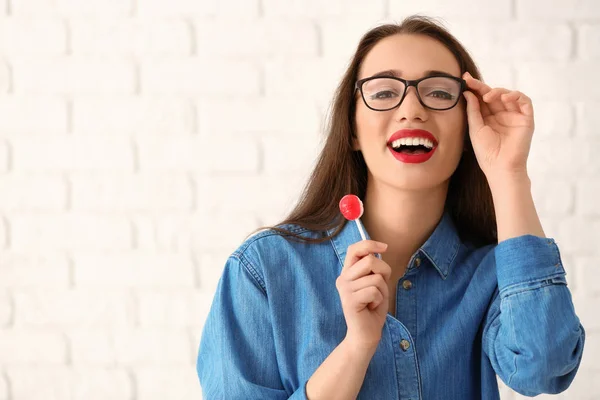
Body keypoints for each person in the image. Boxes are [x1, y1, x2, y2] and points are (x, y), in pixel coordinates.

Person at [196, 15, 585, 400]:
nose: (412, 109)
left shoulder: (493, 274)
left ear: (468, 127)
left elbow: (544, 369)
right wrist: (356, 348)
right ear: (351, 128)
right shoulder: (262, 270)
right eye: (383, 92)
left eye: (438, 92)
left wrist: (508, 172)